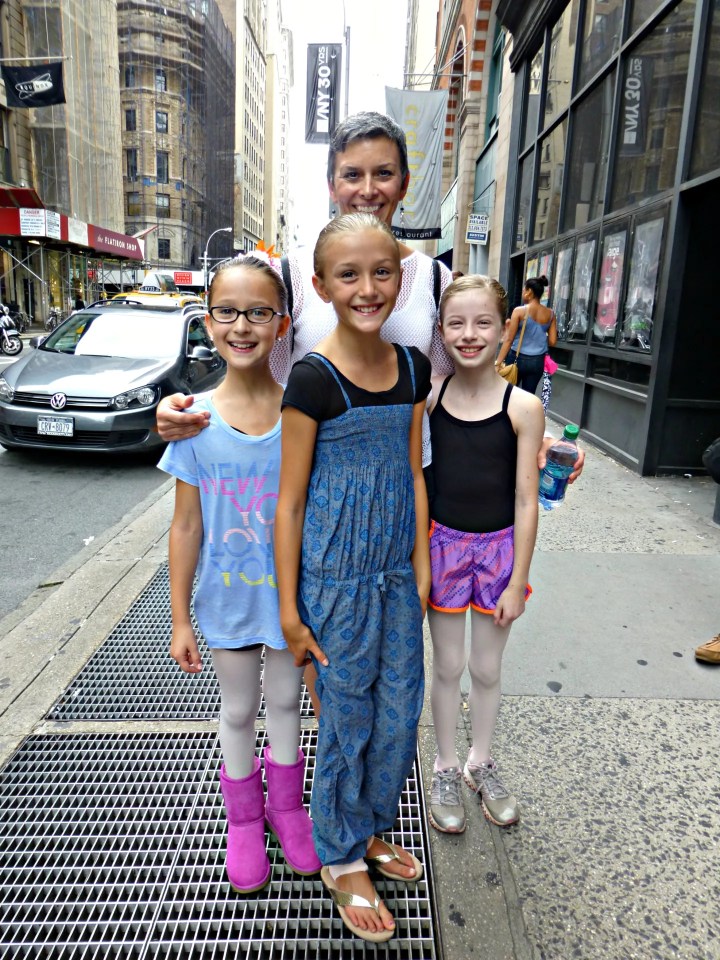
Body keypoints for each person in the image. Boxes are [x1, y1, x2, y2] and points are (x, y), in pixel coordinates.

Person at [274, 213, 430, 943]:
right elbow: (291, 499)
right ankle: (340, 856)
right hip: (334, 584)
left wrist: (421, 569)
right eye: (349, 274)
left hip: (396, 577)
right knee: (346, 723)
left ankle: (367, 827)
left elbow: (412, 470)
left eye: (382, 272)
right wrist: (290, 610)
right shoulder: (312, 377)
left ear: (401, 280)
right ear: (322, 286)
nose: (367, 287)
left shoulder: (414, 368)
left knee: (399, 718)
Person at [158, 255, 321, 895]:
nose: (242, 326)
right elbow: (186, 526)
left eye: (259, 312)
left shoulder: (301, 417)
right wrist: (178, 618)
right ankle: (245, 818)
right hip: (224, 605)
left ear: (283, 325)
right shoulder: (193, 419)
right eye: (227, 312)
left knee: (285, 703)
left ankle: (286, 807)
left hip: (288, 603)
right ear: (207, 322)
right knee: (237, 708)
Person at [425, 275, 544, 835]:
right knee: (447, 665)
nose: (469, 335)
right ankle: (445, 764)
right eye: (456, 323)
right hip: (442, 548)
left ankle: (481, 760)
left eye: (483, 323)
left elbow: (525, 497)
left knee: (486, 667)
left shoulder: (521, 407)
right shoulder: (430, 400)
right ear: (441, 330)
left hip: (499, 555)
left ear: (504, 329)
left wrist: (518, 579)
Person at [496, 275, 557, 396]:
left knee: (507, 394)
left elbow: (509, 340)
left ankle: (507, 415)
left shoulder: (519, 311)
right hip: (537, 362)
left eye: (524, 290)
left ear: (529, 291)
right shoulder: (551, 314)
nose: (523, 292)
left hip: (517, 359)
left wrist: (498, 363)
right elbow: (552, 341)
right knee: (528, 397)